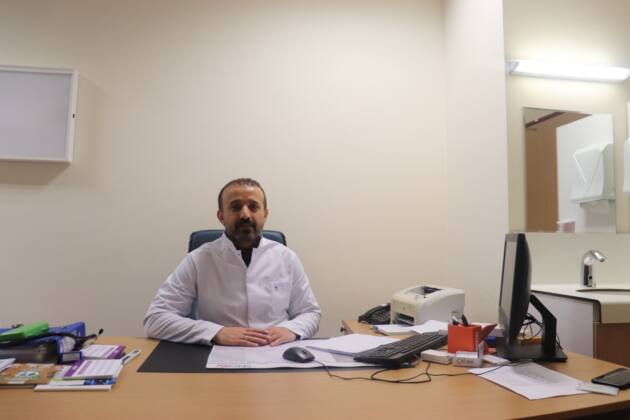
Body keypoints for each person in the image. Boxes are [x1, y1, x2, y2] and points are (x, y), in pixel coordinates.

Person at [143, 178, 321, 346]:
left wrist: (290, 329)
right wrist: (216, 332)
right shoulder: (199, 260)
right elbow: (156, 319)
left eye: (253, 207)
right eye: (236, 207)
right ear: (221, 216)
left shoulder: (287, 258)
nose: (245, 214)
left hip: (276, 352)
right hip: (219, 355)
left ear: (265, 214)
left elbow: (310, 313)